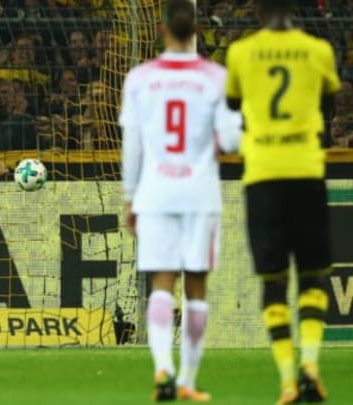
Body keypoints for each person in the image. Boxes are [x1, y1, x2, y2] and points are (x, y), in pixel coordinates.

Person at [119, 0, 241, 401]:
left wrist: (131, 197)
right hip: (199, 195)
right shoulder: (215, 77)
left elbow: (132, 146)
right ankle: (188, 380)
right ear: (197, 29)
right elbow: (231, 141)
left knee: (161, 284)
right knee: (196, 288)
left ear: (162, 28)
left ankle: (162, 371)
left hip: (155, 193)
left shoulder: (140, 78)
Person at [225, 0, 340, 403]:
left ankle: (289, 380)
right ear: (292, 8)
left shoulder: (240, 51)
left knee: (273, 282)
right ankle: (311, 364)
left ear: (256, 12)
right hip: (306, 171)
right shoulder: (318, 50)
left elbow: (235, 104)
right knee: (312, 275)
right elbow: (330, 102)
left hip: (263, 175)